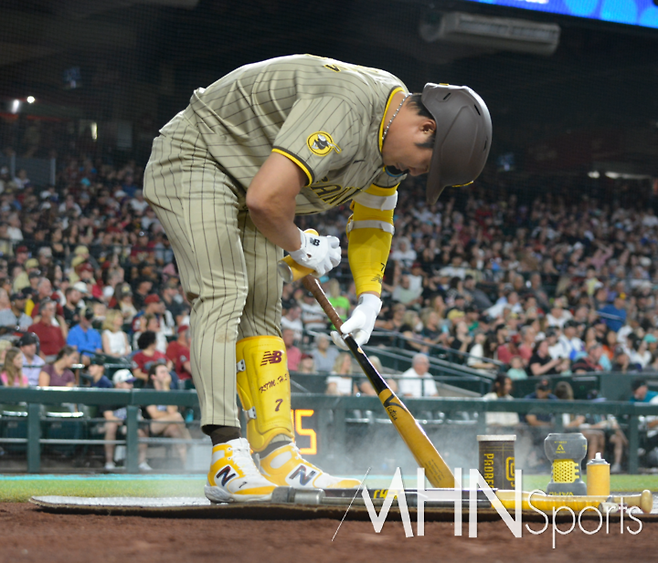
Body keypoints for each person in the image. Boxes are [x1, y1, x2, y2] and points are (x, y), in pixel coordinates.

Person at [143, 54, 491, 503]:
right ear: (425, 129)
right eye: (428, 166)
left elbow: (372, 222)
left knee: (263, 307)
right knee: (224, 290)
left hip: (249, 177)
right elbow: (267, 200)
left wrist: (369, 298)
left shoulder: (389, 144)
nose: (418, 174)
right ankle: (226, 456)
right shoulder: (348, 105)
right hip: (198, 157)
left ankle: (278, 454)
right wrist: (300, 245)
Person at [143, 362, 192, 467]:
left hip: (167, 425)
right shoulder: (148, 390)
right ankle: (190, 443)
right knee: (177, 417)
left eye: (166, 372)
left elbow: (171, 410)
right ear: (153, 376)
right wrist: (170, 416)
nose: (166, 375)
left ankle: (187, 466)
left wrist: (165, 386)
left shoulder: (169, 389)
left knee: (175, 429)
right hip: (151, 426)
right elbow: (155, 415)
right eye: (162, 372)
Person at [102, 369, 151, 471]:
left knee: (142, 430)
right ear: (118, 384)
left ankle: (141, 462)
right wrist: (125, 424)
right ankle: (109, 462)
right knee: (111, 425)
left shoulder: (133, 396)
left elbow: (139, 416)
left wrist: (130, 426)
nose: (131, 385)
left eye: (132, 383)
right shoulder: (109, 396)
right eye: (128, 383)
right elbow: (109, 416)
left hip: (129, 425)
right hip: (110, 426)